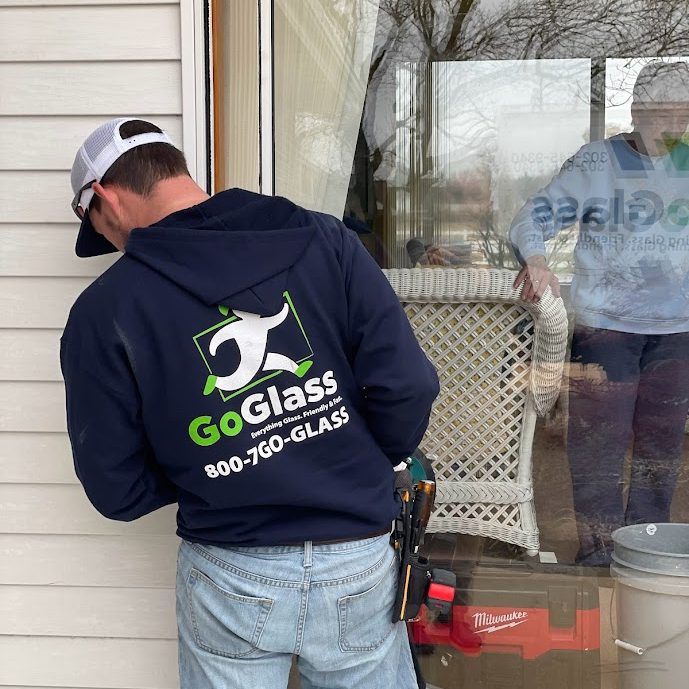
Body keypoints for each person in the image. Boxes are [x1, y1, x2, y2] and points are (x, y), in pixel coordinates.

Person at [61, 117, 439, 688]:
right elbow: (407, 385)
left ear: (105, 198)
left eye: (99, 229)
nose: (113, 244)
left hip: (229, 572)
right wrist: (352, 460)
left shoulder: (104, 312)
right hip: (356, 558)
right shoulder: (324, 239)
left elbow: (115, 487)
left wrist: (212, 472)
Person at [509, 61, 689, 566]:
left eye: (684, 115)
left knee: (661, 448)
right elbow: (534, 216)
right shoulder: (597, 162)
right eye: (663, 114)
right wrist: (537, 259)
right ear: (637, 111)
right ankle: (600, 557)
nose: (674, 126)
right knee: (597, 451)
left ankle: (646, 551)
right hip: (605, 329)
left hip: (677, 331)